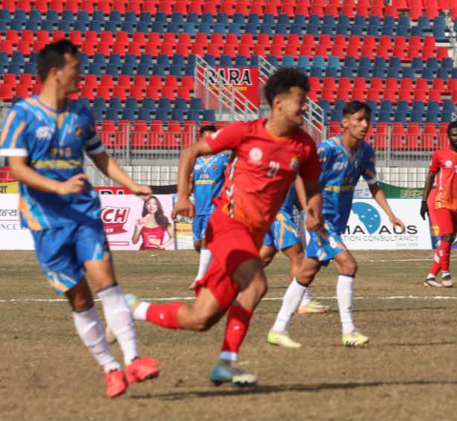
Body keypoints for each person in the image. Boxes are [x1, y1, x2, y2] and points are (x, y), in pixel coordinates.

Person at [129, 68, 322, 387]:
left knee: (200, 319)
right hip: (227, 225)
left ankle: (132, 309)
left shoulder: (303, 146)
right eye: (300, 100)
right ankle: (226, 362)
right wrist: (181, 195)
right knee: (257, 284)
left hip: (252, 235)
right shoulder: (245, 132)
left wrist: (313, 212)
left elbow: (311, 184)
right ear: (278, 103)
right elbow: (191, 151)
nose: (305, 107)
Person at [0, 40, 160, 398]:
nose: (81, 74)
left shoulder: (80, 112)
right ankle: (110, 368)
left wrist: (130, 183)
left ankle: (134, 359)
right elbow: (17, 168)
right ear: (57, 73)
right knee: (80, 299)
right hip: (45, 222)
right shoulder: (22, 115)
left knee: (107, 281)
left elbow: (100, 157)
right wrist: (57, 188)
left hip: (84, 213)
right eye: (76, 68)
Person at [266, 101, 404, 348]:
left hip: (337, 221)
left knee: (306, 272)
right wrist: (309, 210)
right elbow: (300, 175)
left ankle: (278, 328)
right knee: (348, 265)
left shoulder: (365, 153)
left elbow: (373, 186)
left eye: (367, 120)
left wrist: (390, 215)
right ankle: (349, 330)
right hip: (322, 220)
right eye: (359, 119)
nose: (364, 125)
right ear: (345, 122)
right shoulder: (327, 149)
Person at [419, 121, 457, 288]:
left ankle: (430, 277)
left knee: (447, 241)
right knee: (446, 236)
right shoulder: (440, 154)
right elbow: (430, 177)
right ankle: (446, 274)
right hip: (441, 201)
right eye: (454, 135)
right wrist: (424, 200)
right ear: (448, 136)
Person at [258, 187, 330, 315]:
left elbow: (294, 193)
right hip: (278, 215)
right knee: (298, 257)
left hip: (273, 214)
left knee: (264, 258)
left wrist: (305, 212)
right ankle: (303, 302)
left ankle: (229, 286)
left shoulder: (293, 170)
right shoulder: (284, 168)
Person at [189, 125, 231, 288]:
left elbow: (231, 178)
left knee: (207, 240)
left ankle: (200, 278)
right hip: (199, 208)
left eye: (212, 137)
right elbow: (190, 182)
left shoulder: (222, 160)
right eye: (206, 137)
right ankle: (216, 267)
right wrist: (185, 198)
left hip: (214, 208)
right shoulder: (196, 161)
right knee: (198, 244)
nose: (209, 140)